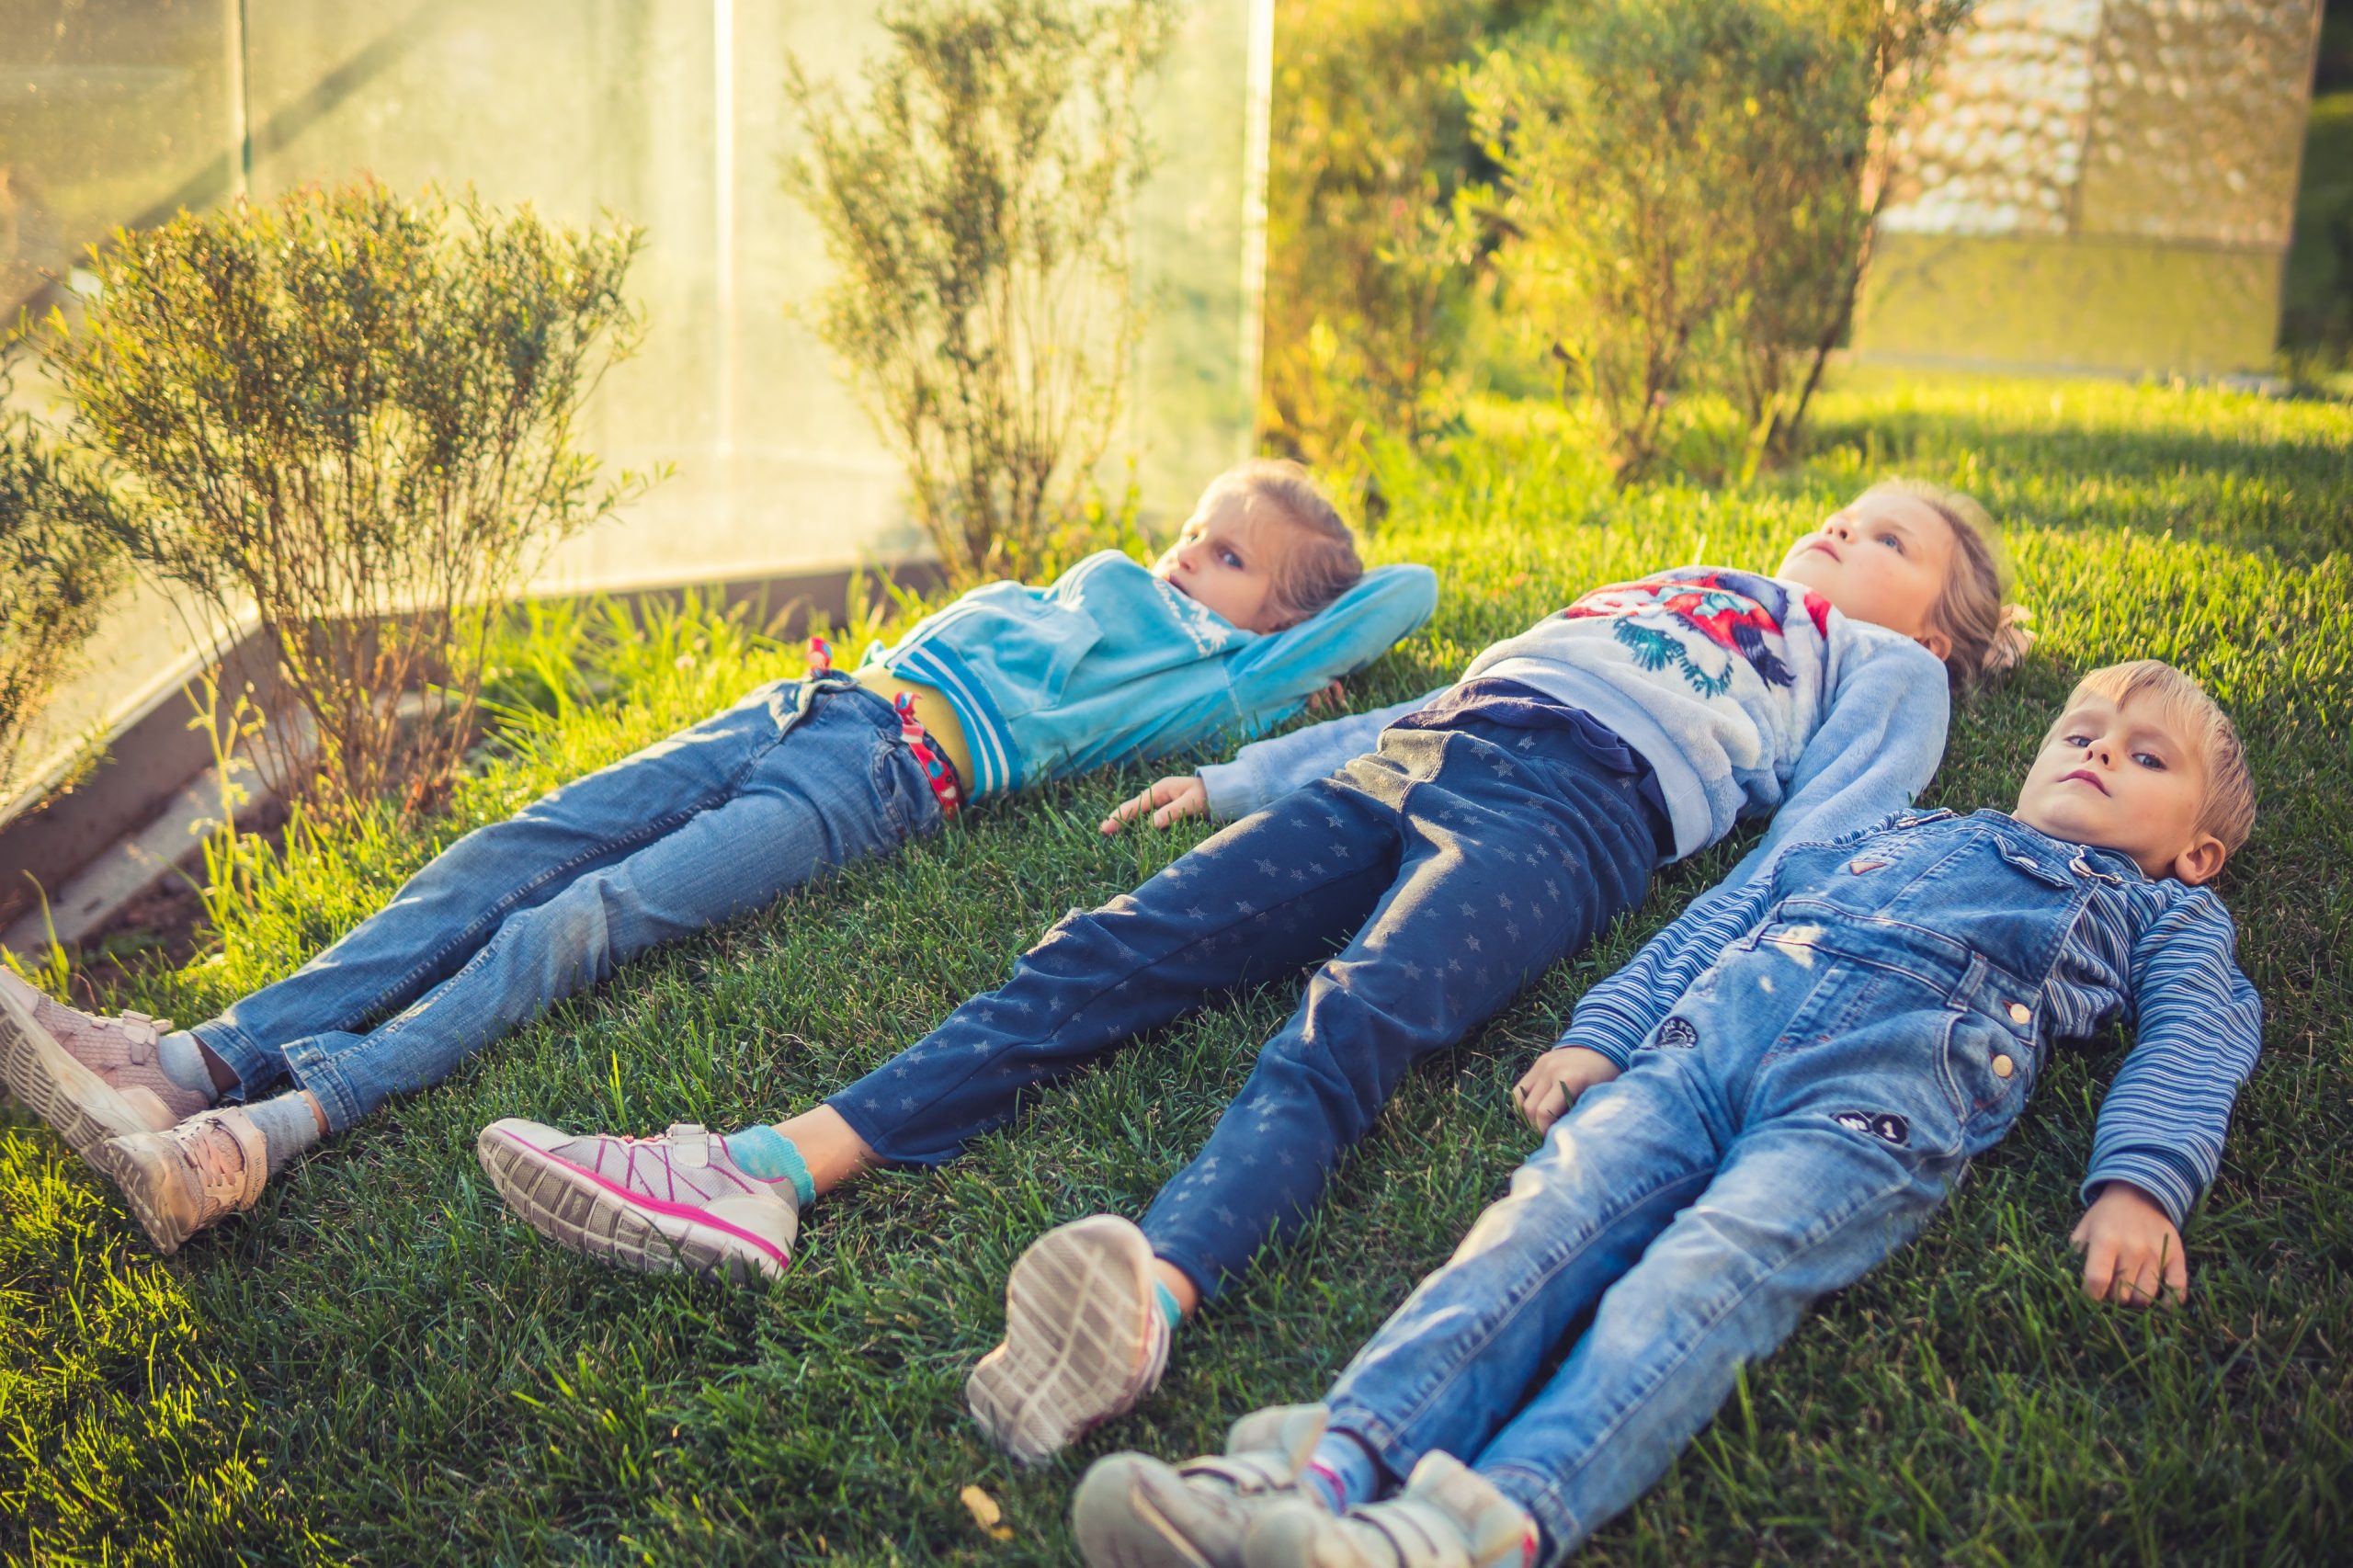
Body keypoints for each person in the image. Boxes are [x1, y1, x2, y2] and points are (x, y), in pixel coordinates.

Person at [480, 479, 2028, 1464]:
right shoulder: (1681, 587)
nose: (1845, 531)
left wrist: (1640, 1017)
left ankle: (1141, 1302)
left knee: (1343, 1028)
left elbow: (1804, 854)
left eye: (1895, 539)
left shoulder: (1878, 672)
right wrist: (1242, 780)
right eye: (1848, 510)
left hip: (1577, 819)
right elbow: (1443, 690)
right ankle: (766, 1168)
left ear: (1946, 632)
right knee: (1112, 947)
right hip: (1435, 747)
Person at [0, 460, 1437, 1256]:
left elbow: (1396, 602)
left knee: (584, 916)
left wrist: (1292, 661)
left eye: (1230, 559)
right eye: (1197, 531)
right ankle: (189, 1061)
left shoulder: (1208, 680)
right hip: (805, 704)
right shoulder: (1119, 588)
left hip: (884, 781)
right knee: (508, 849)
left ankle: (260, 1132)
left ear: (1277, 632)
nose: (1189, 558)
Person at [1071, 659, 2261, 1568]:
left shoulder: (2160, 913)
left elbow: (2200, 1033)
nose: (2100, 753)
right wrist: (1603, 1034)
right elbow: (1717, 926)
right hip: (1698, 1050)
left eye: (2146, 758)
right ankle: (1323, 1470)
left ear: (2198, 851)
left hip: (1868, 1108)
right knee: (1534, 1227)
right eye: (2083, 731)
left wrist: (2138, 1183)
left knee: (1699, 1278)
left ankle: (1458, 1529)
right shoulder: (1897, 830)